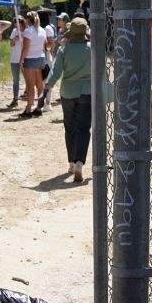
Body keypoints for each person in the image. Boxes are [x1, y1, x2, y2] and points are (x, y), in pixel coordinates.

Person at [46, 16, 92, 182]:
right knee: (83, 128)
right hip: (87, 91)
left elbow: (56, 71)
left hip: (68, 92)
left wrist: (49, 85)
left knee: (69, 127)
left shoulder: (64, 50)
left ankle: (71, 163)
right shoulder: (91, 49)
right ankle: (80, 161)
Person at [17, 11, 48, 119]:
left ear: (28, 19)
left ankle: (29, 109)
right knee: (39, 85)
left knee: (30, 86)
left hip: (30, 59)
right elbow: (45, 46)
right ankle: (39, 108)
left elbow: (25, 48)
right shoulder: (42, 30)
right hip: (41, 58)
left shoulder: (28, 31)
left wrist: (21, 61)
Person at [6, 15, 26, 108]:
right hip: (14, 59)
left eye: (17, 22)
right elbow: (11, 44)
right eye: (14, 22)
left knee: (28, 79)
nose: (15, 24)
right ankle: (15, 99)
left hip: (25, 59)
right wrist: (14, 40)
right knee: (16, 80)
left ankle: (29, 97)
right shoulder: (14, 31)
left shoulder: (27, 31)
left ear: (22, 22)